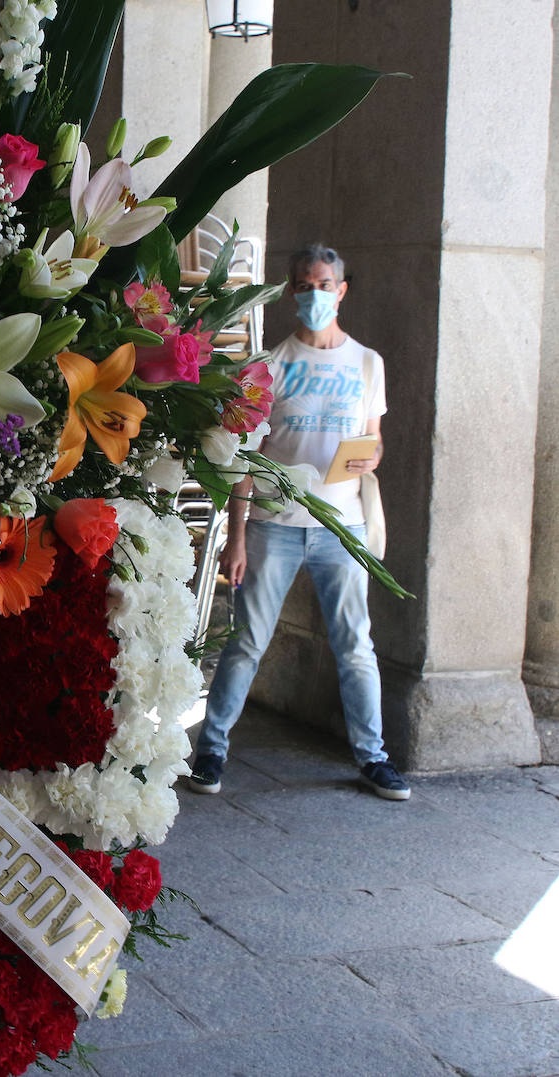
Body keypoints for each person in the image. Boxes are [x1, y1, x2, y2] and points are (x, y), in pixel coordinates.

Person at [189, 243, 411, 801]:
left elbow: (374, 436)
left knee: (356, 645)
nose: (316, 294)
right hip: (274, 524)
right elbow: (243, 458)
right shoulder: (268, 365)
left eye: (326, 284)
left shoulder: (367, 363)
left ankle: (373, 757)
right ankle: (211, 748)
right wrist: (235, 537)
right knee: (246, 642)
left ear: (343, 290)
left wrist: (374, 454)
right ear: (292, 291)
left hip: (343, 526)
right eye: (306, 284)